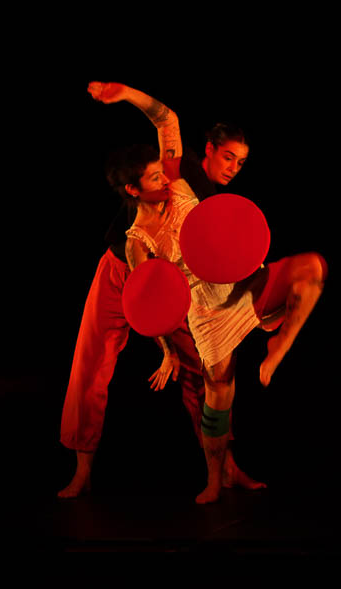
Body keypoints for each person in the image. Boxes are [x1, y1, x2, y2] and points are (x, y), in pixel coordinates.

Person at [92, 81, 326, 504]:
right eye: (154, 177)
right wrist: (167, 351)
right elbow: (152, 305)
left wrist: (124, 93)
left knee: (312, 267)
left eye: (162, 171)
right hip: (208, 311)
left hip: (242, 284)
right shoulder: (137, 241)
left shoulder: (178, 183)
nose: (164, 177)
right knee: (219, 396)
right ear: (134, 190)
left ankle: (279, 344)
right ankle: (216, 478)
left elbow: (166, 120)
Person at [57, 86, 259, 498]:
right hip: (123, 270)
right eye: (228, 157)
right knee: (92, 361)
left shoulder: (210, 197)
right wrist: (125, 93)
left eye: (240, 162)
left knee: (204, 371)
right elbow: (167, 119)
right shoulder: (175, 170)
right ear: (209, 149)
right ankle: (82, 469)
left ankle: (225, 466)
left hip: (171, 278)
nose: (234, 168)